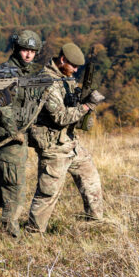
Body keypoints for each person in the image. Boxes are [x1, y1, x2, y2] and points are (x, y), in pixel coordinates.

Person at [26, 42, 104, 233]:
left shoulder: (64, 78)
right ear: (62, 60)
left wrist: (82, 110)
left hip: (70, 143)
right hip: (53, 147)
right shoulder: (47, 82)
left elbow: (71, 111)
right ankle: (34, 234)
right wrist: (87, 107)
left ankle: (95, 223)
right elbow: (60, 117)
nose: (76, 70)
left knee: (91, 178)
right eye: (73, 66)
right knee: (47, 194)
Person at [0, 30, 44, 238]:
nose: (28, 55)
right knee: (13, 189)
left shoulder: (29, 74)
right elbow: (1, 105)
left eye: (32, 51)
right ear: (17, 49)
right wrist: (13, 131)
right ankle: (9, 237)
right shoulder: (5, 72)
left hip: (14, 137)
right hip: (9, 138)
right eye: (25, 50)